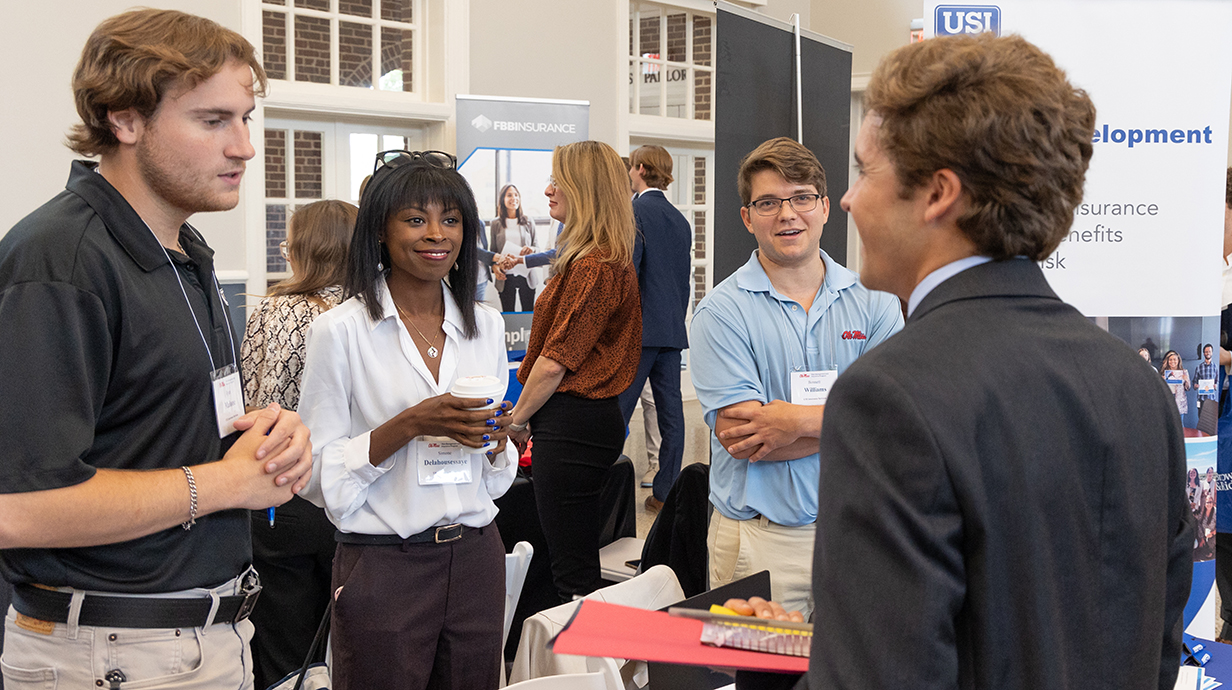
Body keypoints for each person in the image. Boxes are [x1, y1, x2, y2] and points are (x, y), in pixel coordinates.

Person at [731, 33, 1191, 690]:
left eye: (864, 170)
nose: (851, 201)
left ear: (938, 194)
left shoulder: (890, 396)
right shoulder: (1134, 384)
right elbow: (1150, 649)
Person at [0, 9, 313, 689]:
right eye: (213, 121)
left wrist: (264, 431)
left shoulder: (184, 251)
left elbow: (147, 428)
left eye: (245, 119)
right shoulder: (62, 260)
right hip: (110, 653)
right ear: (125, 119)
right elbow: (16, 509)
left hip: (207, 636)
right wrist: (227, 483)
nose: (244, 148)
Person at [297, 151, 517, 690]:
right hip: (384, 564)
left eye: (450, 219)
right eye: (416, 219)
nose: (435, 234)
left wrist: (496, 441)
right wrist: (411, 423)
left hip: (476, 556)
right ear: (379, 230)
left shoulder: (485, 326)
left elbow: (494, 474)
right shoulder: (340, 332)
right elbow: (313, 476)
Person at [689, 136, 902, 618]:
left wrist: (792, 422)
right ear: (747, 217)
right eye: (767, 203)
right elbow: (742, 438)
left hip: (857, 537)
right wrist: (853, 424)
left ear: (825, 208)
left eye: (801, 197)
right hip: (758, 544)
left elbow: (894, 423)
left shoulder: (877, 302)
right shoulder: (721, 313)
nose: (787, 214)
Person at [505, 140, 641, 602]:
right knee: (568, 562)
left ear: (583, 189)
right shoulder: (594, 259)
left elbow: (555, 361)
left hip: (574, 425)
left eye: (557, 181)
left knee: (572, 574)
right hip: (579, 423)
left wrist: (517, 420)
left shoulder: (596, 265)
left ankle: (582, 670)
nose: (546, 190)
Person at [239, 199, 357, 689]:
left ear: (303, 251)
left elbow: (249, 402)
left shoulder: (270, 311)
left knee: (285, 646)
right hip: (348, 494)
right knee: (347, 644)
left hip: (280, 491)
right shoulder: (371, 315)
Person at [618, 145, 693, 512]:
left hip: (640, 332)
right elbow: (684, 279)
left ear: (641, 169)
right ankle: (667, 492)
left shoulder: (635, 211)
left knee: (620, 409)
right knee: (671, 413)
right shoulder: (680, 220)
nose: (629, 173)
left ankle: (608, 485)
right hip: (671, 331)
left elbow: (629, 272)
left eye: (631, 167)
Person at [489, 184, 539, 312]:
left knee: (528, 313)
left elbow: (537, 248)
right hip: (506, 276)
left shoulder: (528, 221)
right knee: (508, 313)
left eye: (516, 195)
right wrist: (495, 267)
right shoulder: (495, 224)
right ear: (502, 199)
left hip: (526, 274)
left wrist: (532, 250)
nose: (514, 198)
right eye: (509, 195)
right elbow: (493, 252)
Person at [1161, 349, 1192, 424]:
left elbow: (1188, 388)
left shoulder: (1184, 372)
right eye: (1170, 360)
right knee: (1168, 421)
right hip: (1168, 398)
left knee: (1180, 423)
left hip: (1180, 399)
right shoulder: (1164, 372)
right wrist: (1162, 380)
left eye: (1174, 359)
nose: (1172, 362)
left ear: (1178, 360)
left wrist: (1186, 380)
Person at [1195, 343, 1218, 418]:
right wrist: (1196, 385)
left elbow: (1217, 381)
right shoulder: (1199, 367)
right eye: (1206, 352)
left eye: (1209, 351)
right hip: (1201, 399)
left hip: (1211, 399)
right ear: (1203, 353)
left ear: (1212, 353)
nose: (1208, 353)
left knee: (1210, 421)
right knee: (1201, 419)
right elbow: (1194, 382)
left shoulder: (1215, 367)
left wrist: (1216, 386)